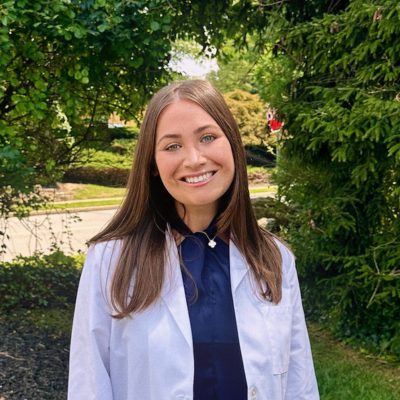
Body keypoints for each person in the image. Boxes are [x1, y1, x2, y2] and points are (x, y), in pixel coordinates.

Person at [68, 80, 319, 400]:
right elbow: (88, 386)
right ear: (153, 165)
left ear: (232, 144)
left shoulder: (274, 258)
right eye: (172, 145)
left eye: (208, 137)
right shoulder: (110, 260)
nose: (195, 158)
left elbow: (300, 385)